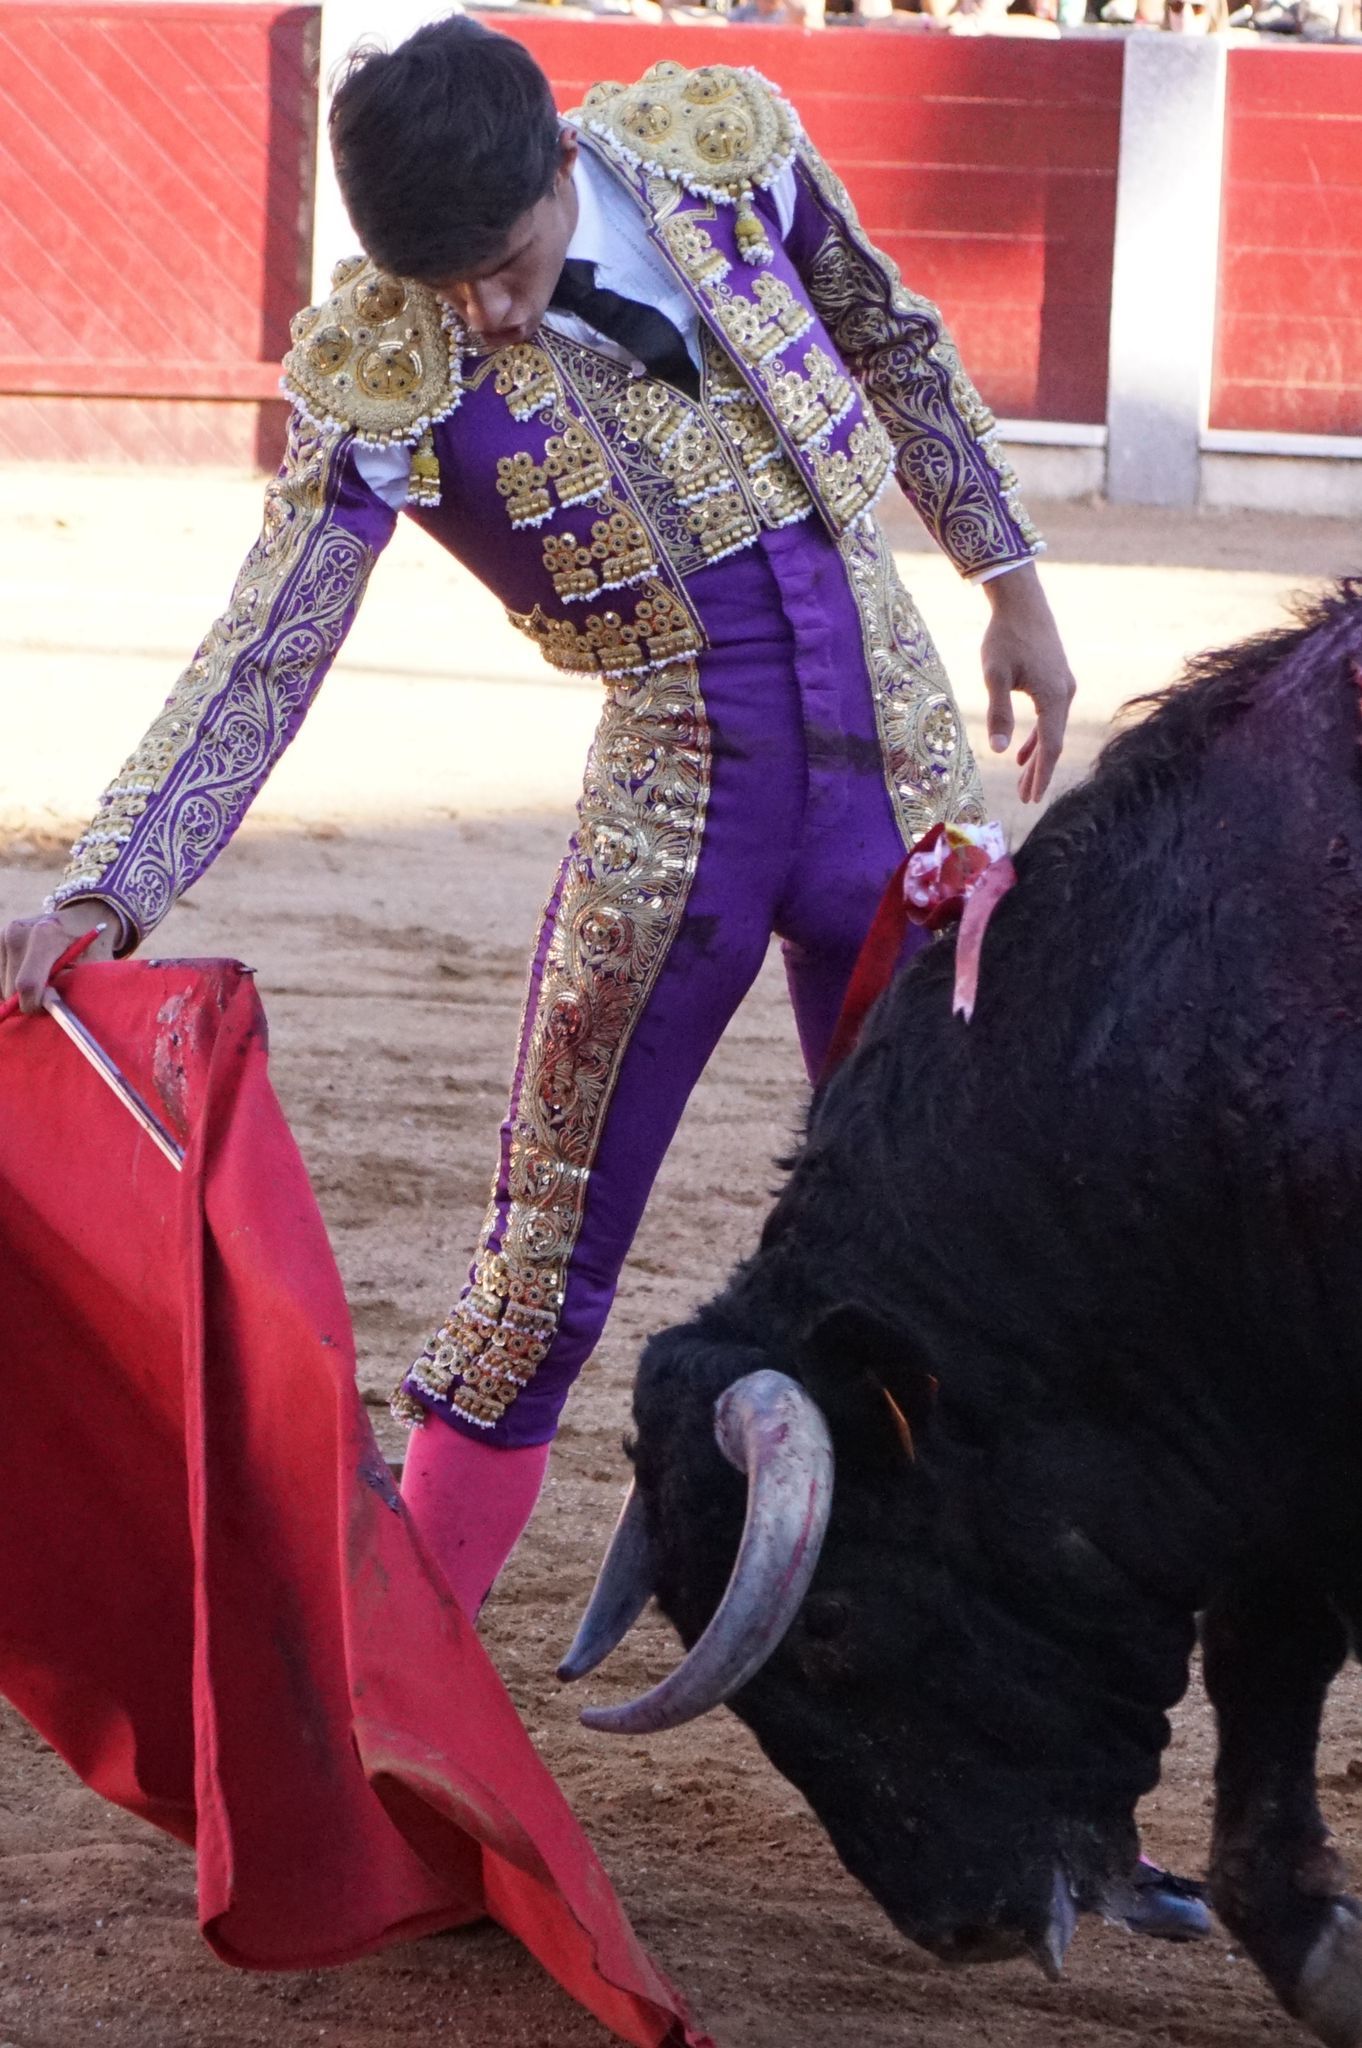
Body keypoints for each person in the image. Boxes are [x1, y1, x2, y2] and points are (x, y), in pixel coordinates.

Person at [3, 19, 1071, 1613]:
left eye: (503, 264)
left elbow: (896, 344)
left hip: (902, 783)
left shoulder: (724, 151)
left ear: (566, 162)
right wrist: (111, 885)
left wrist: (1013, 586)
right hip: (674, 815)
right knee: (541, 1261)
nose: (485, 312)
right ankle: (397, 1674)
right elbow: (271, 645)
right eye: (448, 288)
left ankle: (1009, 1672)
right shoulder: (384, 363)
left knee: (968, 1233)